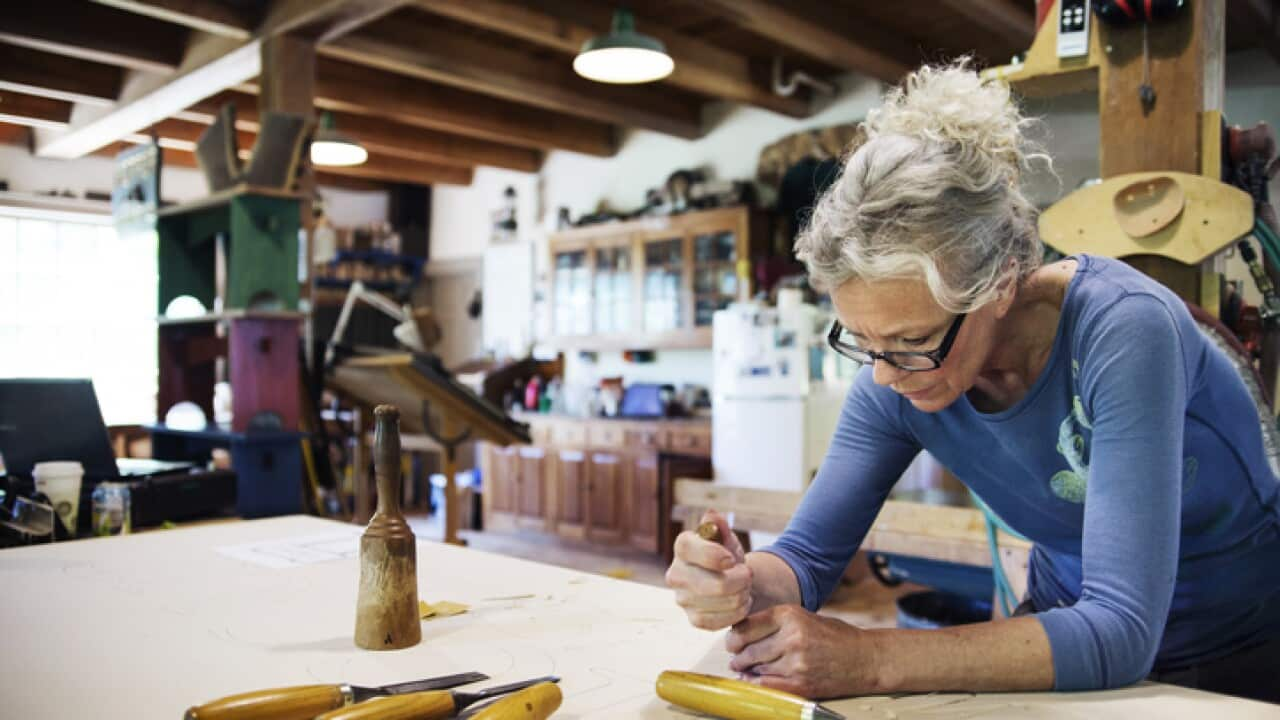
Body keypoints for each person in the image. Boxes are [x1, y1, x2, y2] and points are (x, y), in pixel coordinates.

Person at [665, 60, 1280, 703]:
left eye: (912, 341)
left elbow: (1122, 630)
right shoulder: (894, 370)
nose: (883, 373)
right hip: (1069, 634)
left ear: (1002, 284)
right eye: (864, 341)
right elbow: (807, 560)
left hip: (1237, 645)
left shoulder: (1123, 331)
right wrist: (738, 581)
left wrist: (870, 658)